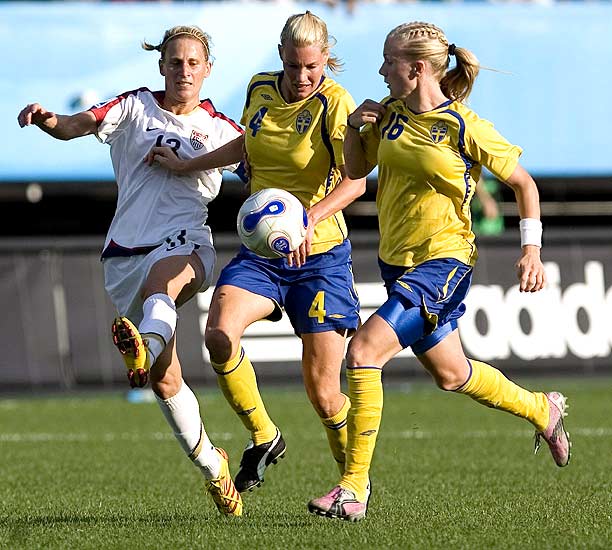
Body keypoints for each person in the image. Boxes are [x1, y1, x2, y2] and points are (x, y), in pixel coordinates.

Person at [308, 21, 571, 522]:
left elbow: (524, 184)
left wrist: (531, 251)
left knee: (363, 352)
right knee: (453, 374)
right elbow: (357, 172)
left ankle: (353, 489)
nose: (382, 71)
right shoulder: (386, 116)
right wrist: (352, 132)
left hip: (443, 263)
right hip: (397, 262)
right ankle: (543, 410)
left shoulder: (463, 125)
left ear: (417, 68)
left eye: (389, 62)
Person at [17, 25, 244, 517]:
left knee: (162, 285)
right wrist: (46, 119)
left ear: (208, 69)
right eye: (175, 61)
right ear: (161, 65)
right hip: (123, 256)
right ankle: (212, 464)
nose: (183, 70)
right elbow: (74, 125)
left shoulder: (223, 130)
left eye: (193, 63)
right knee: (166, 383)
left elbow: (265, 167)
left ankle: (146, 346)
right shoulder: (135, 106)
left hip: (186, 243)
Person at [147, 11, 367, 493]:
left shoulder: (335, 103)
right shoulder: (259, 89)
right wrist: (190, 165)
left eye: (312, 67)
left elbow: (355, 181)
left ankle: (353, 481)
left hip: (321, 257)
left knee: (326, 395)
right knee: (219, 335)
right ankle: (265, 435)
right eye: (293, 67)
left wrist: (306, 220)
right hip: (263, 252)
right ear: (281, 58)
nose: (303, 77)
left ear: (325, 59)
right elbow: (246, 147)